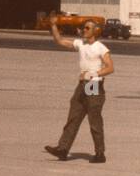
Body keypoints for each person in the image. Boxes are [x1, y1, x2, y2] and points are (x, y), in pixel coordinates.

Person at [44, 16, 113, 163]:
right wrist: (54, 26)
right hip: (82, 85)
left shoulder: (100, 47)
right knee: (73, 117)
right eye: (83, 28)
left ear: (95, 31)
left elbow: (110, 68)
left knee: (94, 120)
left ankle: (100, 154)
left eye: (87, 28)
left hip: (93, 84)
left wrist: (92, 74)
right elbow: (60, 41)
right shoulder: (81, 44)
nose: (83, 30)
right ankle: (62, 149)